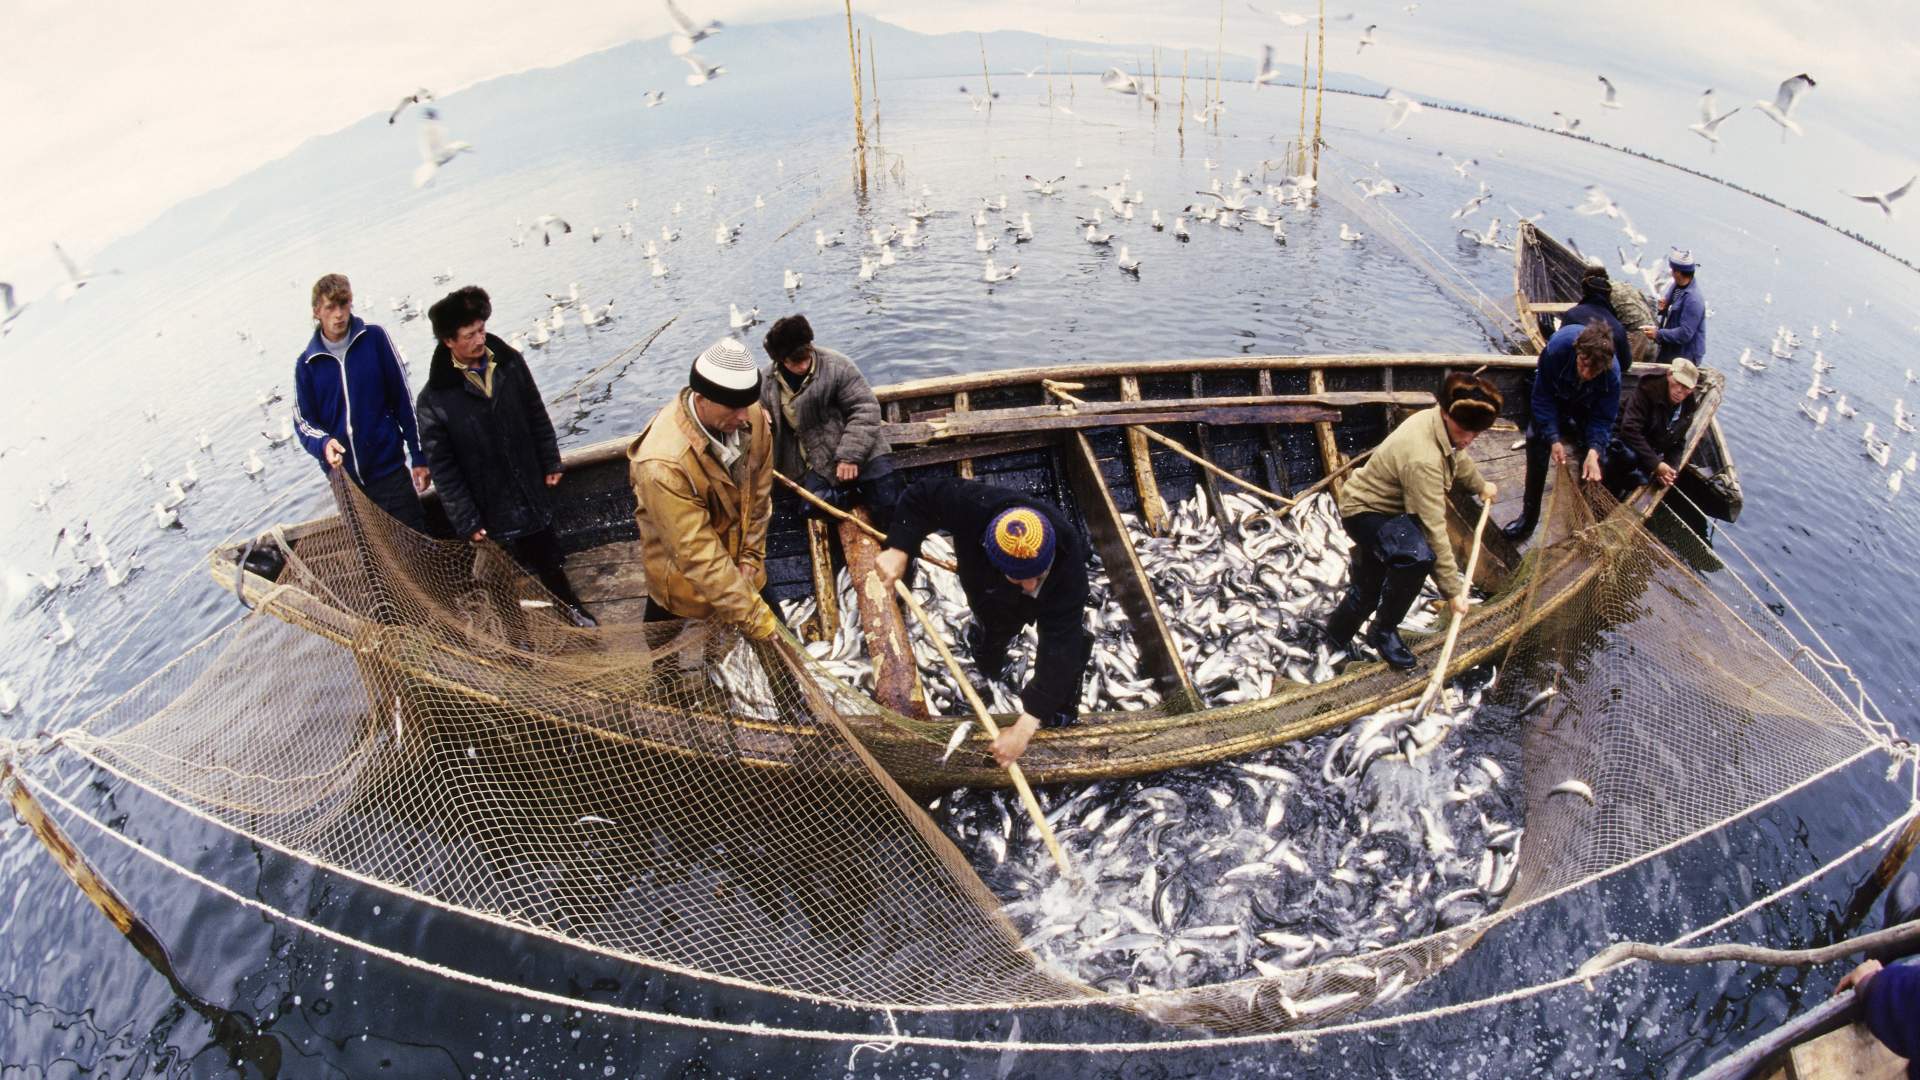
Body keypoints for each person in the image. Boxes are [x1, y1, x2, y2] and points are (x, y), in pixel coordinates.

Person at [874, 481, 1092, 767]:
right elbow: (921, 496)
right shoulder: (974, 505)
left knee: (1074, 647)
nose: (1028, 585)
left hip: (1048, 598)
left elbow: (1060, 644)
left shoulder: (1067, 561)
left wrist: (1025, 726)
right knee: (992, 629)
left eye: (1037, 575)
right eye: (1019, 577)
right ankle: (990, 653)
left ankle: (1056, 709)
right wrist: (900, 547)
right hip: (986, 589)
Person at [415, 285, 594, 626]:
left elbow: (535, 411)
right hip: (485, 500)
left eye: (481, 329)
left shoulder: (510, 361)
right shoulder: (433, 401)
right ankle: (516, 634)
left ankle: (569, 606)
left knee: (548, 554)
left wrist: (550, 459)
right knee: (496, 577)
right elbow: (444, 469)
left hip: (525, 479)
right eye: (469, 335)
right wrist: (466, 519)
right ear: (448, 342)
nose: (480, 339)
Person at [1323, 373, 1501, 670]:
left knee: (1369, 589)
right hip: (1365, 513)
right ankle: (1384, 631)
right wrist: (1452, 591)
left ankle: (1332, 640)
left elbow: (1458, 455)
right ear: (1445, 413)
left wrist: (1480, 485)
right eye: (1464, 429)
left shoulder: (1440, 424)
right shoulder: (1423, 460)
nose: (1469, 438)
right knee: (1417, 557)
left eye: (1476, 433)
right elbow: (1433, 529)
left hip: (1381, 509)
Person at [627, 337, 778, 640]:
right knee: (661, 640)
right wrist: (751, 614)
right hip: (682, 572)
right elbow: (695, 551)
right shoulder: (661, 464)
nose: (744, 417)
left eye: (747, 404)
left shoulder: (752, 418)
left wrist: (749, 557)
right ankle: (663, 681)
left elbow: (760, 497)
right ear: (701, 398)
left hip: (739, 558)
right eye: (734, 407)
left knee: (778, 634)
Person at [293, 273, 429, 531]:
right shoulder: (306, 365)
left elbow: (404, 401)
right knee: (371, 561)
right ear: (316, 312)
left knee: (416, 548)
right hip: (347, 486)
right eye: (330, 307)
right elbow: (303, 423)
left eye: (344, 304)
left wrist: (419, 456)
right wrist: (324, 444)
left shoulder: (375, 339)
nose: (339, 314)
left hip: (390, 474)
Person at [759, 314, 902, 530]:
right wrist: (756, 409)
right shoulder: (766, 382)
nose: (803, 365)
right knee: (811, 508)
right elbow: (745, 405)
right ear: (780, 360)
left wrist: (850, 456)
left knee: (890, 498)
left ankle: (900, 545)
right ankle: (856, 495)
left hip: (863, 451)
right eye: (795, 362)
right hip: (817, 463)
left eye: (806, 357)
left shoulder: (838, 366)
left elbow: (865, 408)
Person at [1503, 321, 1622, 543]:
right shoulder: (1557, 348)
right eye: (1583, 364)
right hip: (1556, 396)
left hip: (1586, 404)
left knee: (1599, 457)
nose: (1586, 373)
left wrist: (1594, 451)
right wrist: (1553, 439)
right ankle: (1527, 519)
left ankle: (1581, 522)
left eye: (1593, 370)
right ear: (1578, 351)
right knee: (1536, 442)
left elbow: (1603, 418)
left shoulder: (1611, 376)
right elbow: (1541, 397)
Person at [1606, 358, 1701, 495]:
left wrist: (1670, 469)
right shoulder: (1647, 390)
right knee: (1628, 457)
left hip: (1647, 448)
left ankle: (1620, 492)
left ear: (1691, 390)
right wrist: (1656, 464)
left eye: (1685, 387)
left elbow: (1678, 442)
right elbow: (1629, 429)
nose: (1679, 390)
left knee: (1640, 478)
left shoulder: (1687, 409)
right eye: (1677, 383)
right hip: (1619, 437)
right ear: (1669, 375)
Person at [1563, 264, 1632, 378]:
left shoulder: (1571, 315)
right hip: (1602, 381)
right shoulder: (1618, 327)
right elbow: (1625, 364)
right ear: (1608, 295)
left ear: (1584, 291)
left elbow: (1560, 349)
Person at [1644, 248, 1706, 365]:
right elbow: (1671, 308)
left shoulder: (1694, 300)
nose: (1670, 271)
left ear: (1677, 272)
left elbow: (1685, 333)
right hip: (1670, 350)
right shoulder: (1677, 286)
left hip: (1684, 358)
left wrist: (1658, 334)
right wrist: (1664, 308)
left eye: (1672, 269)